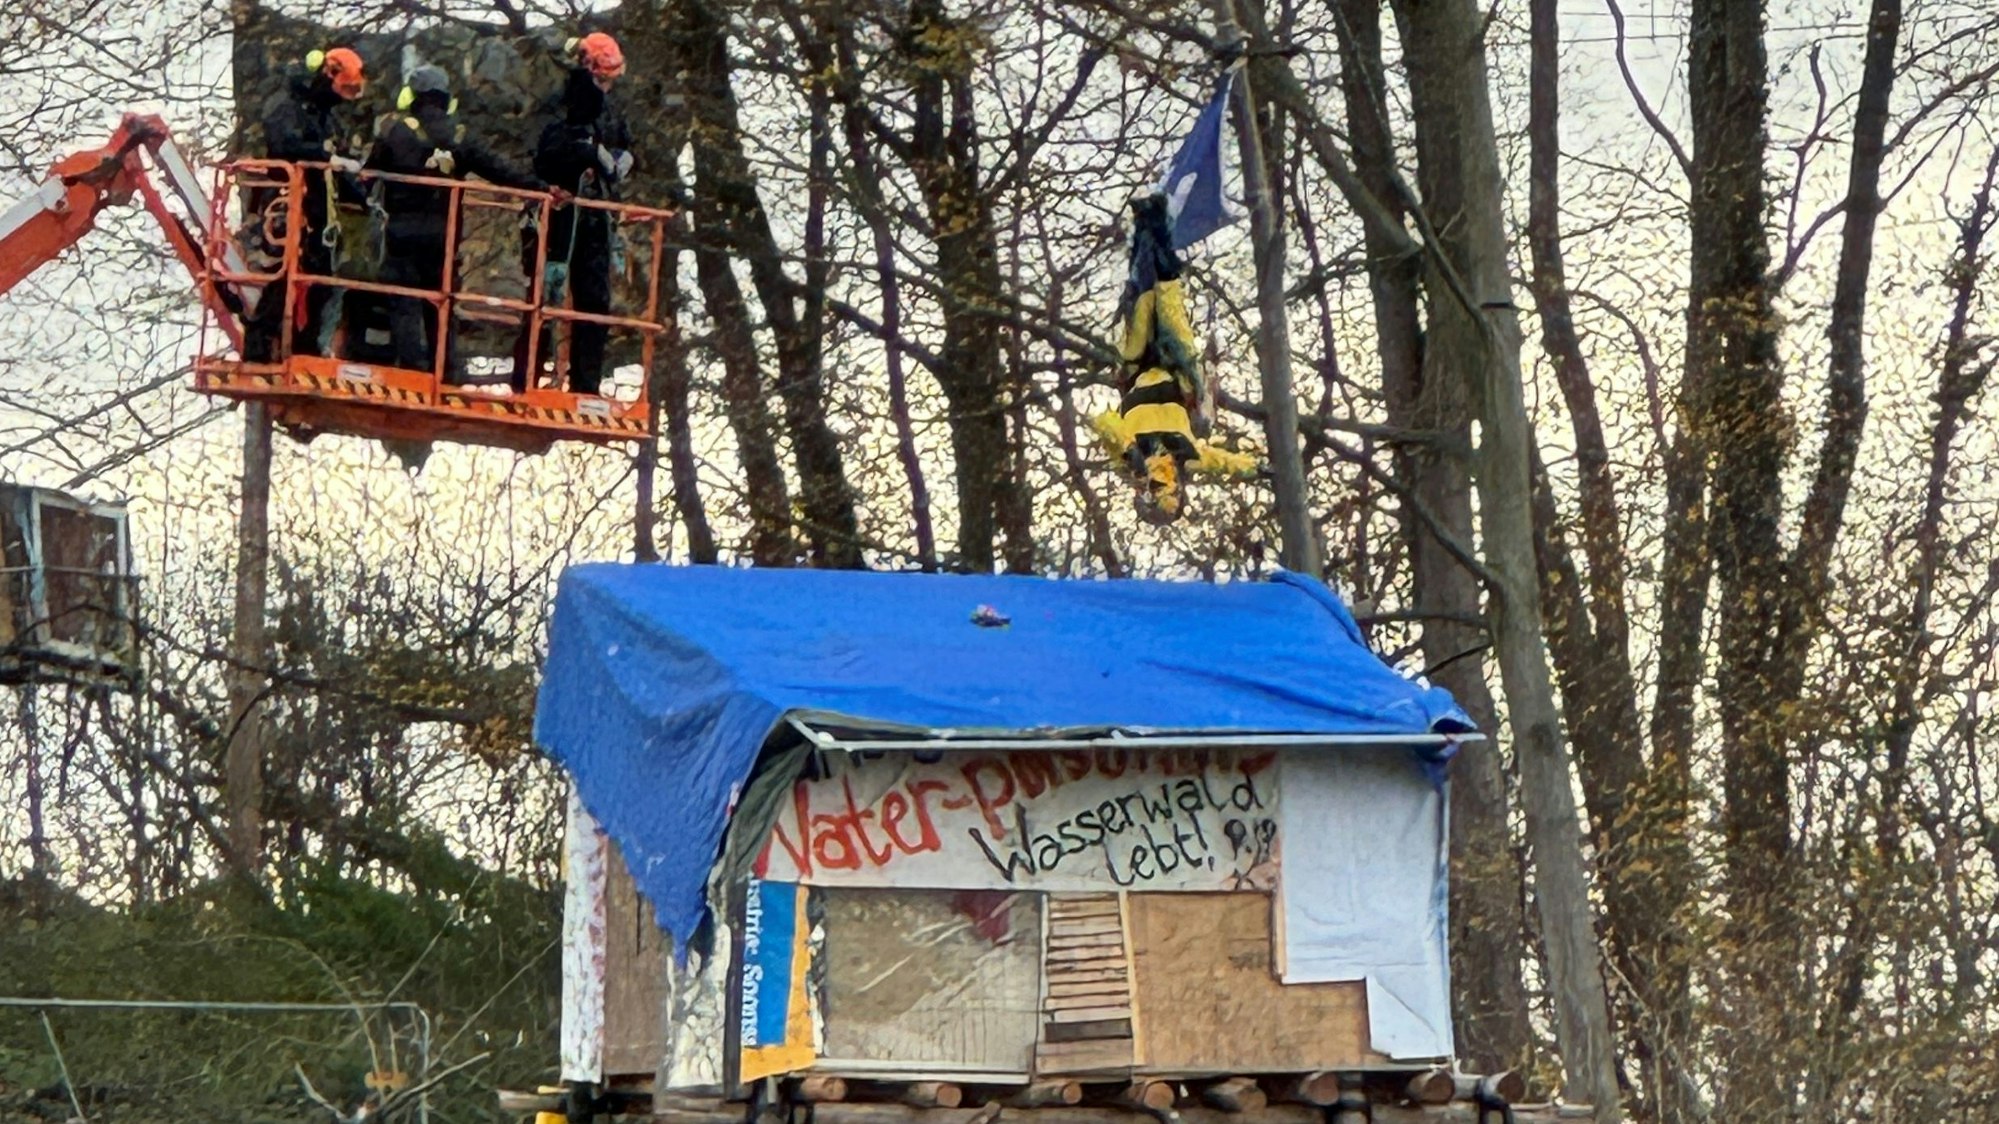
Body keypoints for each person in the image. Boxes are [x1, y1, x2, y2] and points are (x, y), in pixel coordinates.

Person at [365, 64, 550, 378]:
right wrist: (541, 189)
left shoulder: (394, 131)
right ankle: (446, 371)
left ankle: (409, 372)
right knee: (442, 303)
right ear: (445, 97)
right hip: (443, 234)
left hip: (401, 231)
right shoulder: (459, 134)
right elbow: (497, 169)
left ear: (412, 95)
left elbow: (367, 178)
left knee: (404, 301)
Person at [1092, 192, 1261, 524]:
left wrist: (1129, 449)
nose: (1164, 481)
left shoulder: (1129, 459)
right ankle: (1161, 228)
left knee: (1141, 301)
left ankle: (1145, 222)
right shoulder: (1188, 457)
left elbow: (1102, 421)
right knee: (1169, 304)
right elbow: (1224, 462)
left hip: (1137, 368)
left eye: (1158, 489)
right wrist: (1256, 470)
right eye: (1171, 490)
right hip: (1177, 374)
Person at [511, 32, 632, 396]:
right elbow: (544, 153)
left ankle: (585, 385)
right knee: (544, 298)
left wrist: (619, 160)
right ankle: (526, 380)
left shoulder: (606, 111)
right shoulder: (558, 104)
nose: (607, 86)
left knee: (593, 303)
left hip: (593, 216)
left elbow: (623, 143)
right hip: (557, 214)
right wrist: (588, 155)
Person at [244, 47, 367, 362]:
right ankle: (258, 349)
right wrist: (330, 159)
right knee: (283, 280)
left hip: (315, 208)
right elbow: (287, 145)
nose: (343, 98)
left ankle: (305, 348)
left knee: (320, 281)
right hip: (288, 204)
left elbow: (333, 164)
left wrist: (365, 198)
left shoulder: (323, 114)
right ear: (328, 75)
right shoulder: (286, 106)